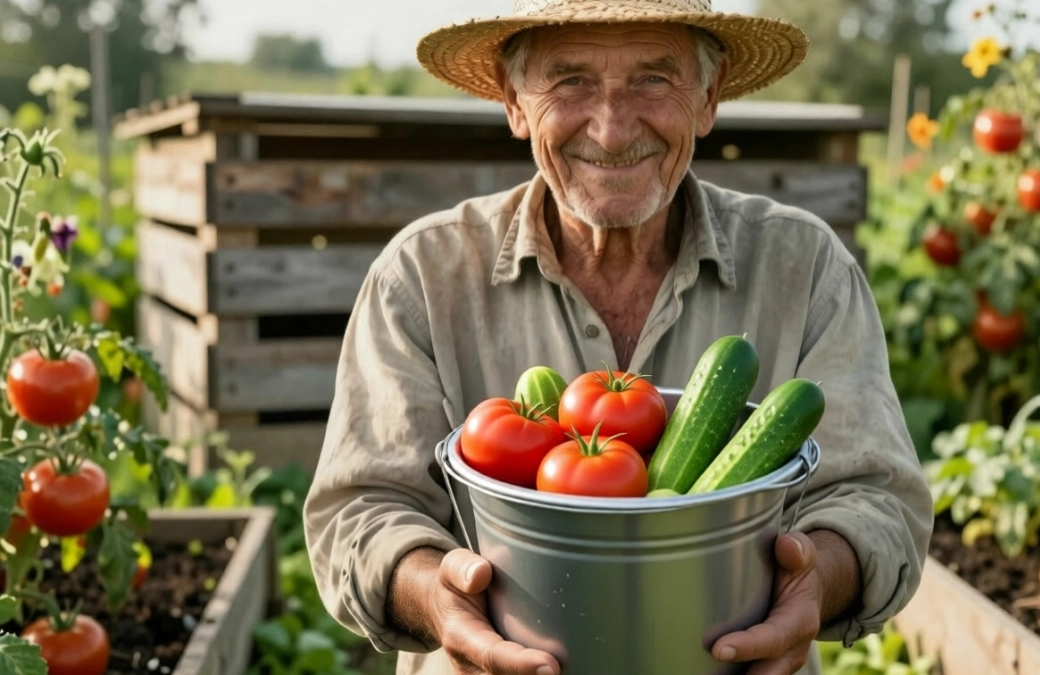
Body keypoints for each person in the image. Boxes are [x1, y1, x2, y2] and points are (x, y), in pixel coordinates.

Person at [302, 0, 934, 673]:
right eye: (570, 80)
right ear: (516, 103)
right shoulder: (422, 275)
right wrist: (438, 598)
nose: (610, 130)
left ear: (709, 98)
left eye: (654, 79)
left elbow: (878, 498)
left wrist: (817, 579)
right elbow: (359, 511)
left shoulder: (804, 267)